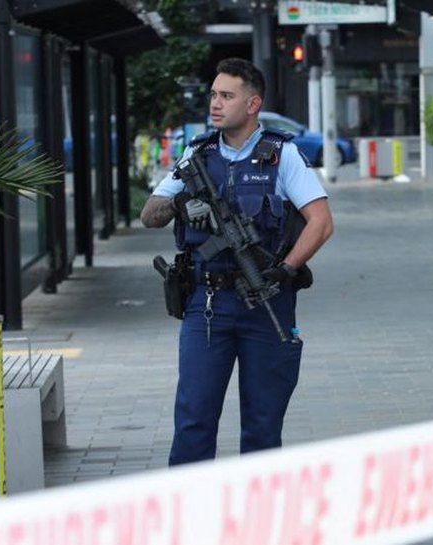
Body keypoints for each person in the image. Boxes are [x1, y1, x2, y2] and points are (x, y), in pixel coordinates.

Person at [140, 58, 333, 464]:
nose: (215, 103)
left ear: (252, 104)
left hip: (265, 300)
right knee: (194, 421)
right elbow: (149, 215)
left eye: (226, 95)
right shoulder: (197, 155)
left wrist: (286, 269)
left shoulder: (282, 155)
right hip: (206, 304)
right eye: (213, 94)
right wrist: (180, 202)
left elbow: (321, 222)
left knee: (263, 426)